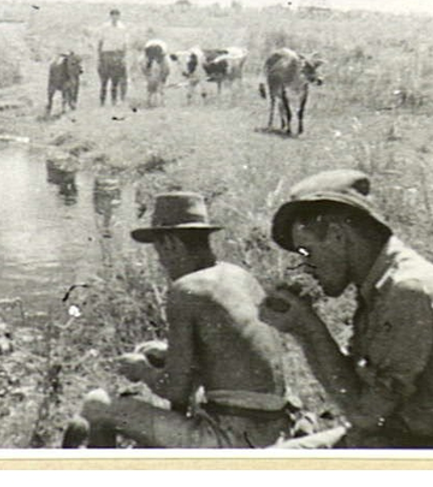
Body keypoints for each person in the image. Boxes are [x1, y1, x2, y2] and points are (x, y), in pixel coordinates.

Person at [260, 169, 433, 449]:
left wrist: (308, 328)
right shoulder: (381, 284)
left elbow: (365, 414)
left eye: (307, 251)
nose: (305, 266)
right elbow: (360, 393)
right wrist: (304, 328)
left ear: (337, 236)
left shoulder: (407, 291)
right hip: (403, 439)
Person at [63, 192, 293, 448]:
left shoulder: (187, 289)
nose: (161, 261)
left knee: (97, 405)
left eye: (159, 250)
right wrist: (168, 353)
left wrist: (142, 369)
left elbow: (175, 390)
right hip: (278, 428)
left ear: (171, 243)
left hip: (232, 438)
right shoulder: (238, 275)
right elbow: (228, 355)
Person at [96, 8, 129, 106]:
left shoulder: (122, 28)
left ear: (119, 16)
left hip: (117, 54)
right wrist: (99, 56)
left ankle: (114, 101)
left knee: (116, 80)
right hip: (106, 54)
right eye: (113, 15)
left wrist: (123, 57)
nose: (115, 17)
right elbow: (100, 41)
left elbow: (124, 44)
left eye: (117, 15)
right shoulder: (105, 27)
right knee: (104, 81)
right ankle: (102, 101)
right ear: (110, 16)